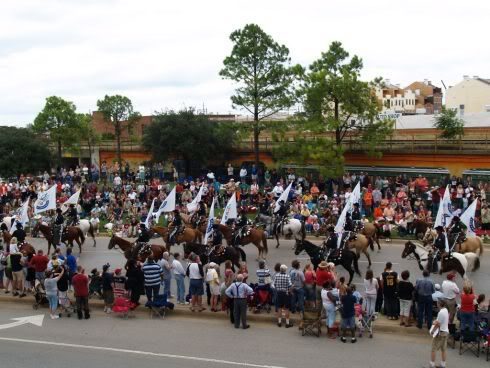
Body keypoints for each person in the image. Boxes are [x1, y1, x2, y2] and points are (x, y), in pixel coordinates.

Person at [427, 299, 449, 368]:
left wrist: (432, 331)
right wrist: (435, 321)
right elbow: (439, 321)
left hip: (440, 333)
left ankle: (432, 364)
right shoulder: (445, 310)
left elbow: (438, 324)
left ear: (439, 304)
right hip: (445, 332)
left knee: (434, 348)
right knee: (443, 349)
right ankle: (443, 364)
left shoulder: (441, 312)